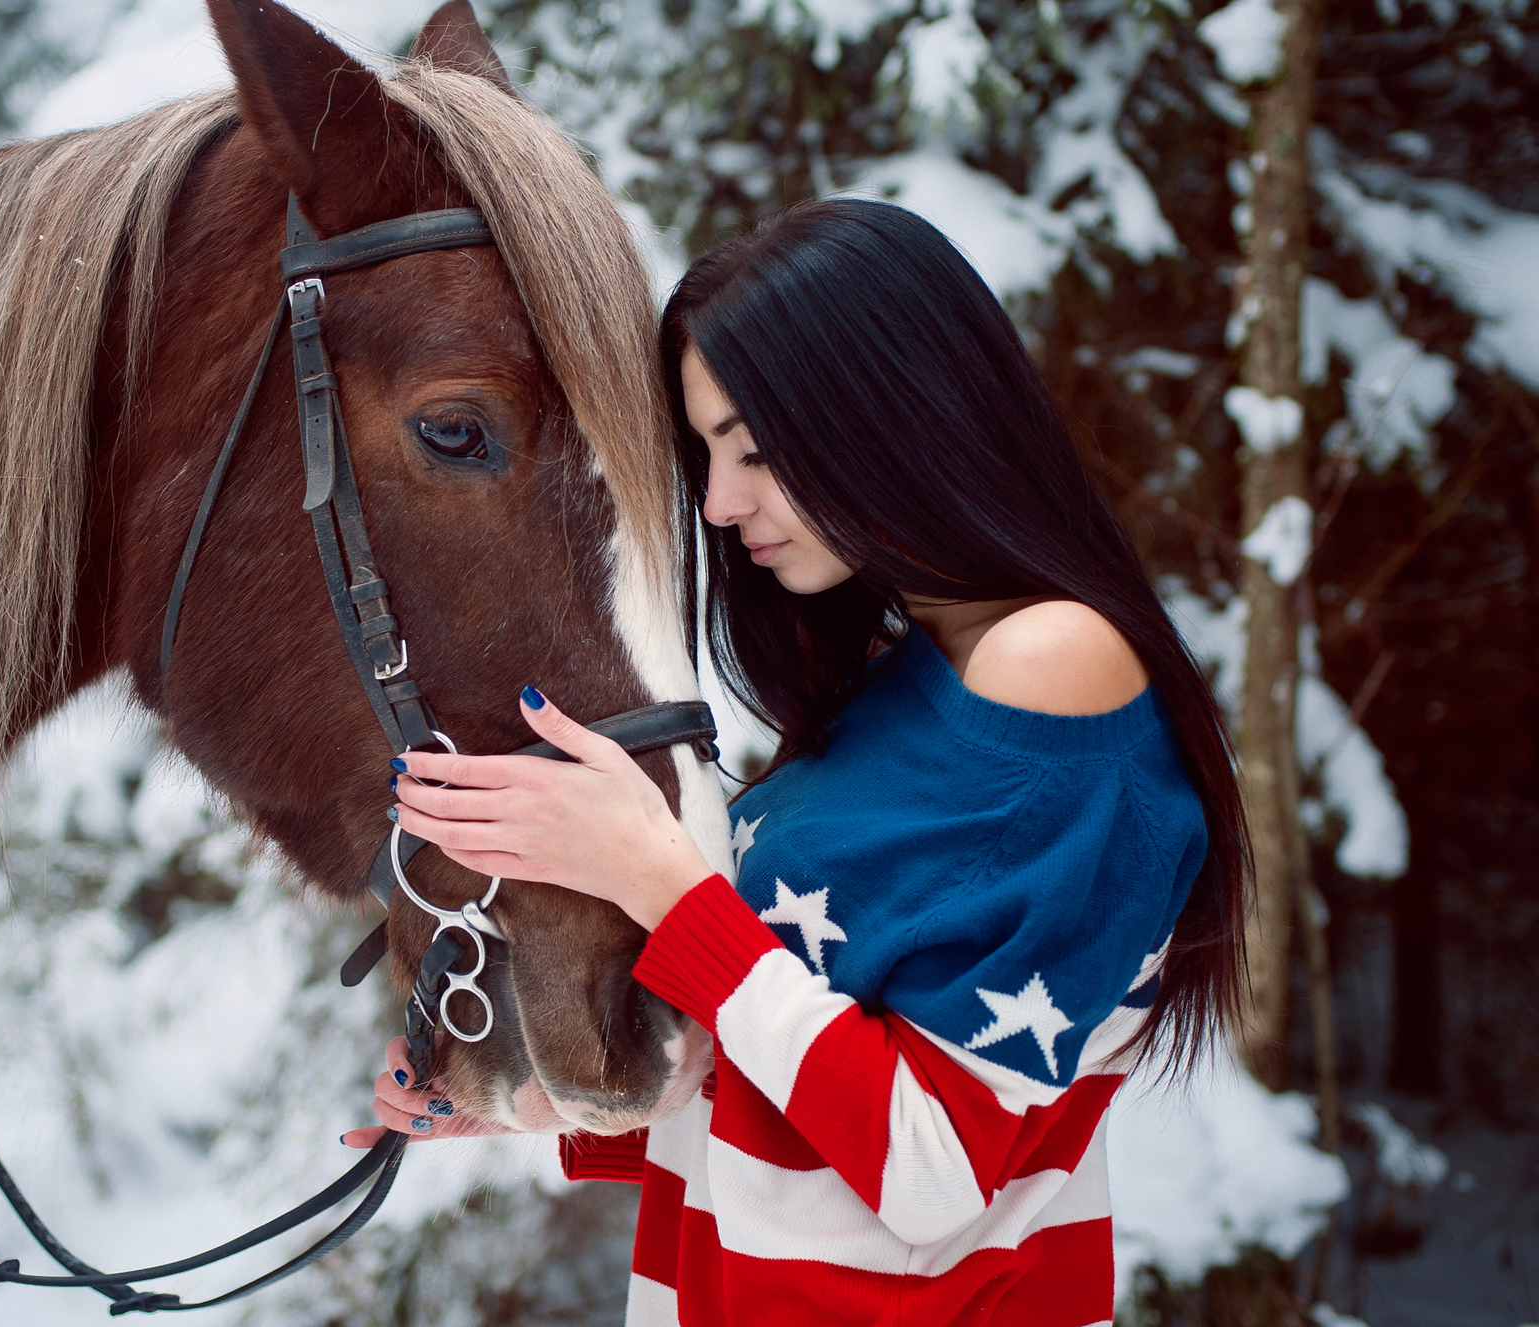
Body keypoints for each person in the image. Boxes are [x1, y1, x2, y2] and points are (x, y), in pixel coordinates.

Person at [343, 198, 1249, 1327]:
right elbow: (809, 1089)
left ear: (896, 415)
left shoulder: (1051, 665)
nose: (720, 507)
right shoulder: (894, 682)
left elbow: (929, 1172)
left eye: (756, 453)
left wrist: (661, 883)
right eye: (708, 454)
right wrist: (539, 1101)